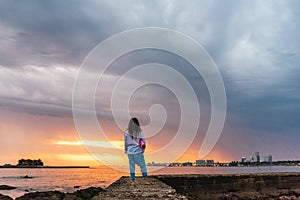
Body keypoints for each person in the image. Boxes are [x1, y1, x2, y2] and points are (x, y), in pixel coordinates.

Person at [124, 117, 149, 186]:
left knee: (131, 166)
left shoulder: (126, 132)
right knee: (143, 166)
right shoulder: (140, 132)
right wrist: (143, 150)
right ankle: (145, 180)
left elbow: (125, 143)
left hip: (130, 151)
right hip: (138, 151)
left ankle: (133, 181)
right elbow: (144, 141)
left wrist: (126, 150)